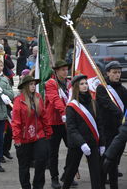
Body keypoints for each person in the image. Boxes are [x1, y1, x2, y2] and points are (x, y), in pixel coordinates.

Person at [62, 74, 105, 189]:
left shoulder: (94, 103)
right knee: (70, 171)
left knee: (96, 173)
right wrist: (81, 143)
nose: (85, 85)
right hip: (77, 145)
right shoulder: (71, 106)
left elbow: (100, 125)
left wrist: (102, 143)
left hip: (92, 142)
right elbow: (71, 128)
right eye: (81, 84)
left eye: (86, 83)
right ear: (76, 87)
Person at [12, 75, 52, 189]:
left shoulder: (38, 97)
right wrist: (17, 139)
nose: (33, 86)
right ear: (25, 86)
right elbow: (16, 122)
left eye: (34, 84)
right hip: (24, 138)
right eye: (31, 84)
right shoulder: (18, 101)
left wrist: (48, 132)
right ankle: (26, 186)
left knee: (41, 160)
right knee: (24, 166)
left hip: (39, 135)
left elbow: (44, 116)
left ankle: (38, 186)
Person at [45, 60, 76, 189]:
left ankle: (67, 174)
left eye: (66, 69)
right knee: (53, 152)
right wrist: (65, 112)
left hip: (67, 122)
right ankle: (54, 177)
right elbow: (54, 100)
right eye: (62, 70)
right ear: (56, 71)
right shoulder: (51, 83)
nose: (65, 72)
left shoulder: (70, 84)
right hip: (54, 122)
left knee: (73, 148)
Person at [96, 61, 127, 189]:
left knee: (115, 160)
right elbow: (107, 104)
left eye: (119, 72)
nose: (117, 75)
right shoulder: (102, 88)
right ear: (107, 73)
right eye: (114, 72)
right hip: (106, 130)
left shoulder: (123, 89)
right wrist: (121, 115)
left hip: (119, 130)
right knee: (107, 160)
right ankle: (102, 184)